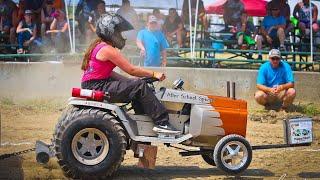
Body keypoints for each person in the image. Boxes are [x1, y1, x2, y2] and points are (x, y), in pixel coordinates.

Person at [81, 12, 179, 133]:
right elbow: (131, 70)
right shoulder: (108, 49)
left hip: (94, 84)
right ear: (110, 32)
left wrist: (129, 82)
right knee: (139, 86)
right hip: (97, 86)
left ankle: (143, 123)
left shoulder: (99, 46)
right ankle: (162, 123)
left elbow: (109, 73)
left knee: (136, 85)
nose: (121, 36)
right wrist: (154, 74)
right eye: (118, 32)